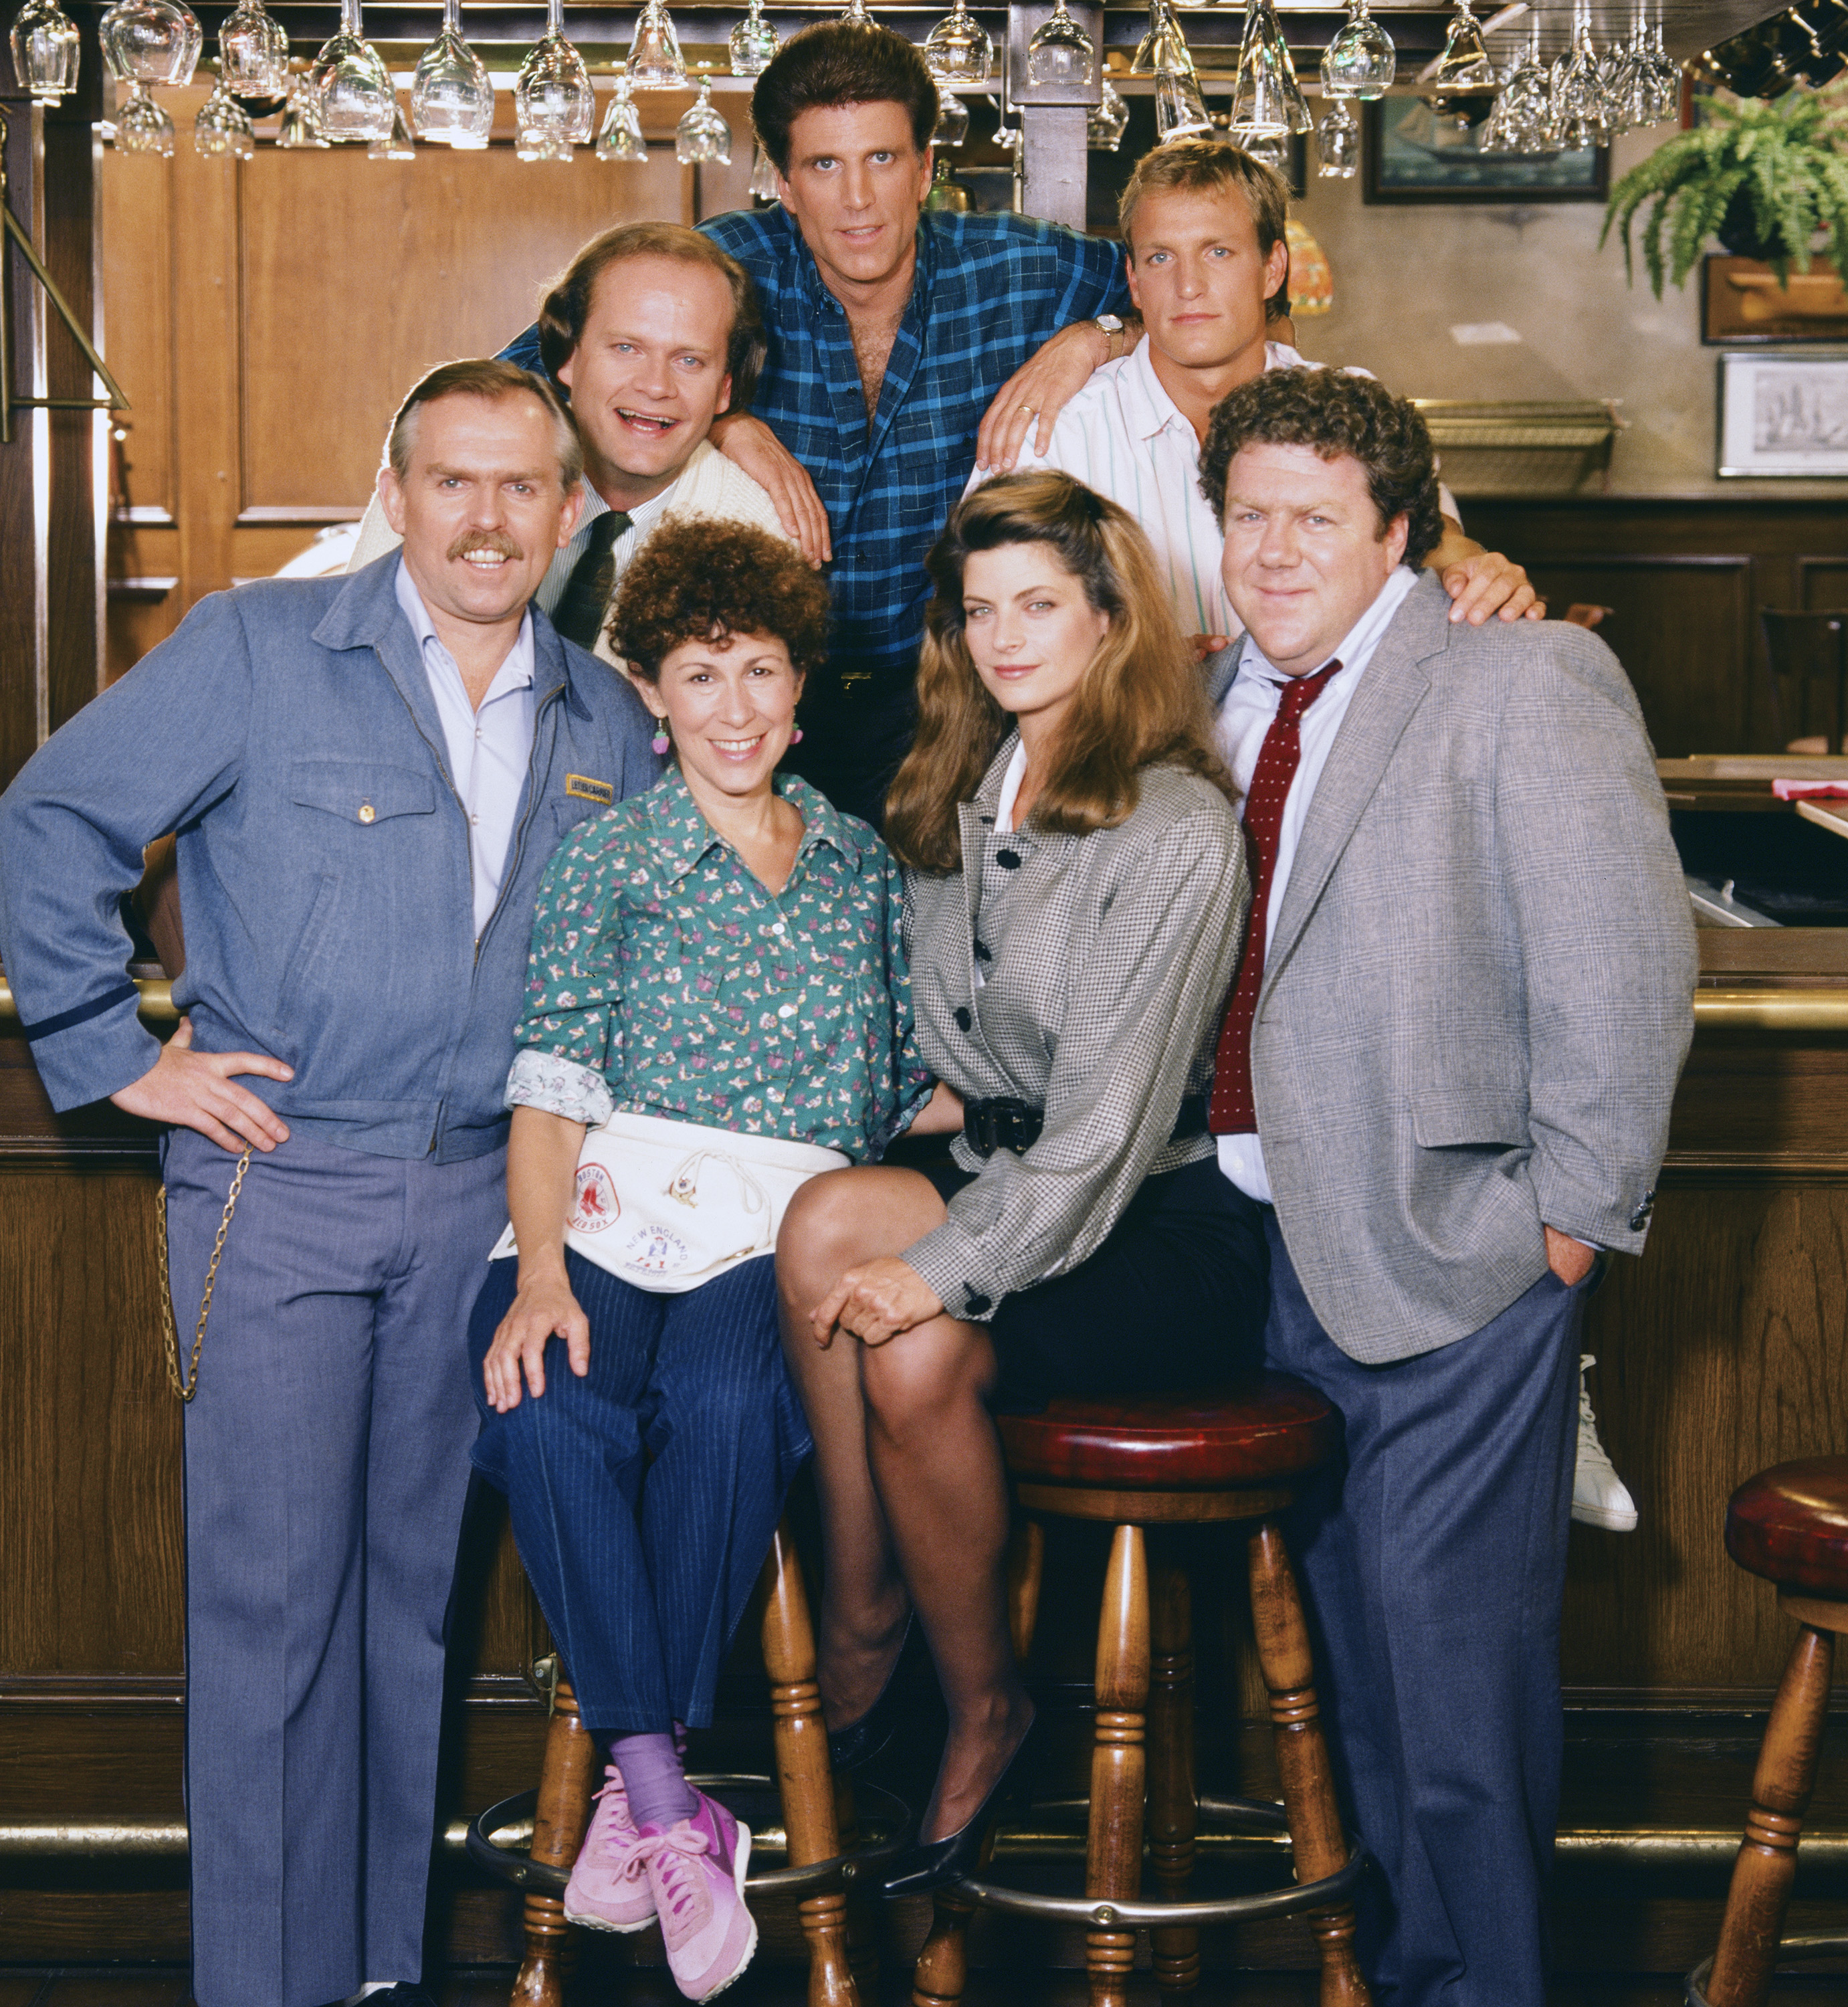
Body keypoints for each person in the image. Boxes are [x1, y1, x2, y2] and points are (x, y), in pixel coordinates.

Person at [0, 359, 657, 2007]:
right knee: (273, 1618)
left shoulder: (610, 716)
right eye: (454, 481)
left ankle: (370, 1975)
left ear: (571, 514)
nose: (489, 519)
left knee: (406, 1619)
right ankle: (262, 1988)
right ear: (396, 490)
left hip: (488, 1214)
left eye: (523, 487)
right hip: (279, 1186)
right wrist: (108, 1043)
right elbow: (51, 816)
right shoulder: (254, 650)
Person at [1196, 367, 1695, 2004]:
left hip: (1458, 1256)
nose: (1274, 551)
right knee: (1357, 1687)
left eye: (1315, 519)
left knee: (1455, 1696)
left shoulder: (1520, 673)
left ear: (1400, 533)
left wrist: (1563, 1226)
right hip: (1264, 1256)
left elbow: (1623, 964)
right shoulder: (1209, 700)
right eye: (1247, 515)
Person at [771, 471, 1267, 1891]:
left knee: (917, 1347)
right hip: (1007, 1176)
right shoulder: (954, 790)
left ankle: (984, 1706)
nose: (1001, 638)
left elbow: (1102, 1131)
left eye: (1037, 605)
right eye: (978, 609)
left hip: (1156, 1224)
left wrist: (934, 1271)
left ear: (1110, 618)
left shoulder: (1170, 825)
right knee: (820, 1220)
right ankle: (864, 1611)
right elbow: (951, 1066)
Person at [468, 516, 942, 2000]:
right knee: (546, 1400)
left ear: (800, 690)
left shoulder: (864, 866)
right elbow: (549, 1088)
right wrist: (540, 1272)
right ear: (654, 696)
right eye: (697, 673)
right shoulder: (607, 856)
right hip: (605, 1206)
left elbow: (901, 1087)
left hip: (779, 1229)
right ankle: (669, 1800)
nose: (732, 705)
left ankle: (640, 1785)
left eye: (758, 671)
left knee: (733, 1409)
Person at [504, 25, 1139, 820]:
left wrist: (1096, 339)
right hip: (750, 715)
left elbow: (1226, 310)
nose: (858, 200)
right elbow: (524, 374)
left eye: (882, 159)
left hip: (949, 711)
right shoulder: (727, 263)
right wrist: (716, 418)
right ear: (785, 180)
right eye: (825, 166)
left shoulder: (1020, 267)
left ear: (925, 169)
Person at [991, 138, 1540, 649]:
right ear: (1133, 281)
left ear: (1272, 268)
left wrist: (1474, 565)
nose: (1188, 286)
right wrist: (1126, 673)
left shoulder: (1351, 403)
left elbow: (1431, 536)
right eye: (1161, 257)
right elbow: (996, 619)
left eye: (1218, 253)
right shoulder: (1051, 435)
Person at [356, 223, 785, 670]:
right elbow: (352, 665)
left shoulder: (757, 535)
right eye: (626, 348)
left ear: (724, 390)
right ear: (569, 357)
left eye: (689, 360)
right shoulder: (443, 470)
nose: (656, 386)